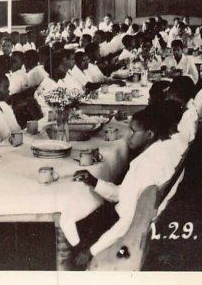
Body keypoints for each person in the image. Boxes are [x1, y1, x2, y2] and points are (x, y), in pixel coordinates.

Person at [70, 105, 185, 268]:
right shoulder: (163, 151)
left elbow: (129, 220)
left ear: (149, 134)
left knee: (76, 234)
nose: (127, 136)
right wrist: (94, 182)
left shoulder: (148, 165)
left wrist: (92, 251)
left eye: (133, 132)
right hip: (143, 223)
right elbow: (125, 194)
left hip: (130, 234)